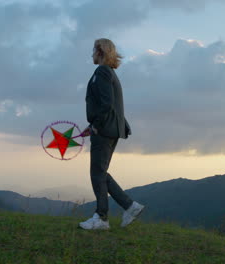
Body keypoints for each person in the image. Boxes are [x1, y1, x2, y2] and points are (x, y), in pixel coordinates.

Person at [78, 38, 145, 230]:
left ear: (100, 51)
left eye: (93, 50)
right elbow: (108, 104)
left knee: (97, 174)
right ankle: (130, 206)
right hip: (109, 128)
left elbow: (106, 104)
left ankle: (102, 218)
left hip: (105, 129)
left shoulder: (102, 71)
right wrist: (92, 126)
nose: (91, 54)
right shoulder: (109, 73)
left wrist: (97, 124)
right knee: (100, 172)